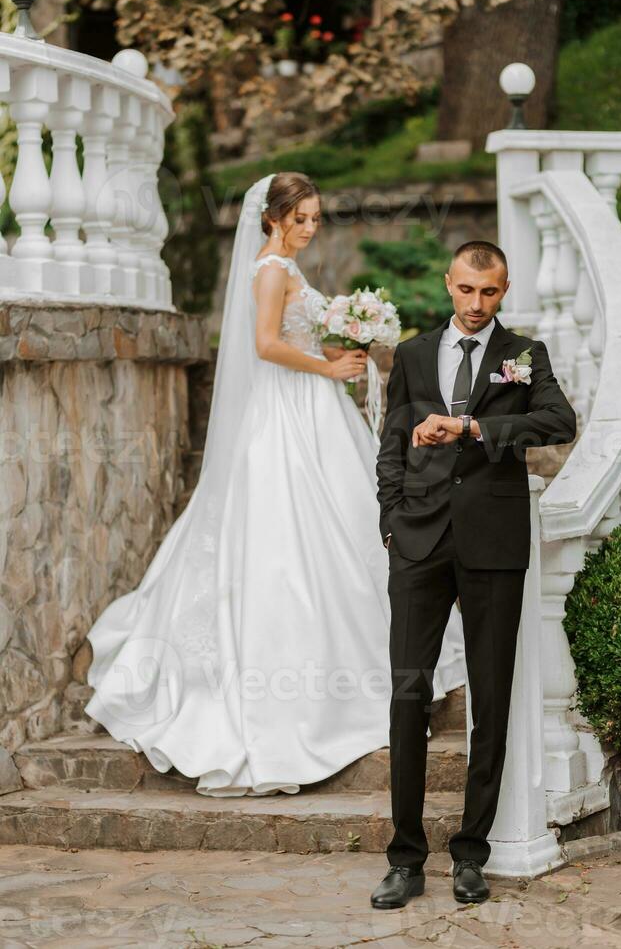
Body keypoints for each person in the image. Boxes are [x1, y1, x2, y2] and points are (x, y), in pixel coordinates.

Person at [83, 172, 465, 796]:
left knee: (347, 522)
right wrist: (328, 364)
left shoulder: (284, 266)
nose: (311, 228)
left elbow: (289, 332)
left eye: (316, 218)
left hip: (310, 406)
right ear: (273, 217)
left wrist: (343, 341)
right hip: (286, 412)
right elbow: (264, 345)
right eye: (302, 218)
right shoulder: (270, 270)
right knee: (293, 533)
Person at [371, 240, 577, 907]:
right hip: (420, 542)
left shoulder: (522, 356)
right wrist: (392, 520)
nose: (475, 305)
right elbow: (392, 442)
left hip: (492, 542)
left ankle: (471, 852)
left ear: (504, 290)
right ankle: (404, 858)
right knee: (409, 696)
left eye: (488, 294)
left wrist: (471, 428)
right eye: (465, 291)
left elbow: (557, 420)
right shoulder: (409, 355)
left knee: (490, 700)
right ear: (449, 284)